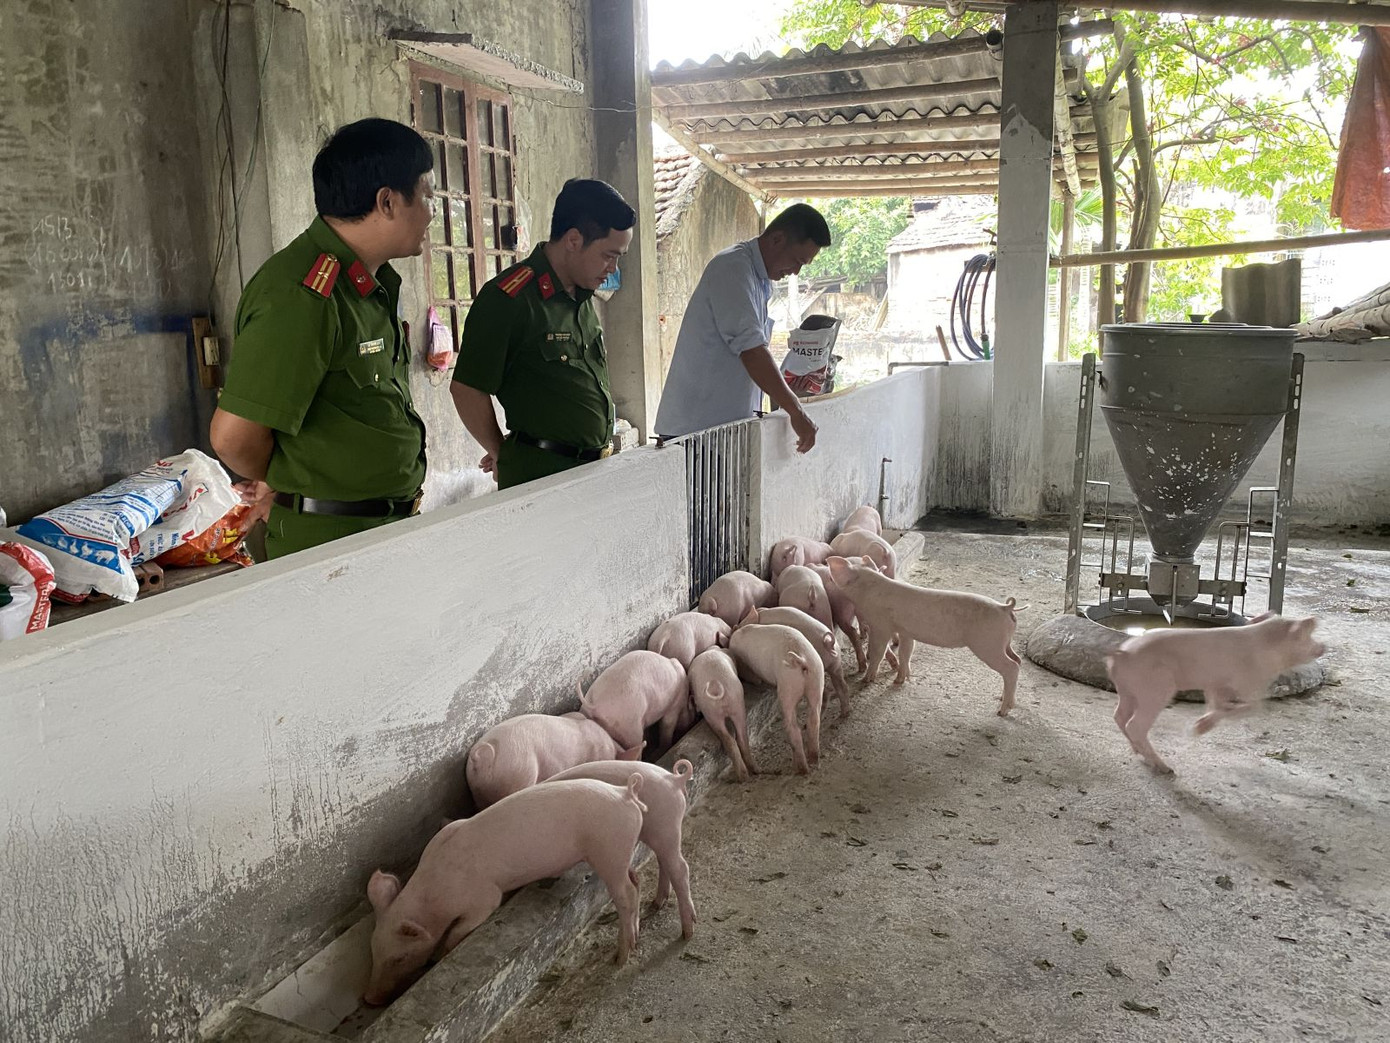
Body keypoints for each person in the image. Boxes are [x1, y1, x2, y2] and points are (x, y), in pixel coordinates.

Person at [209, 118, 434, 559]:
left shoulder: (369, 285)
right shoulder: (303, 296)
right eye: (426, 195)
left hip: (378, 530)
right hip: (331, 542)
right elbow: (233, 438)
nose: (432, 211)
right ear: (387, 201)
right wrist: (290, 478)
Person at [451, 178, 634, 490]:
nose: (613, 269)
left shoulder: (582, 298)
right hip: (541, 480)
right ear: (574, 240)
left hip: (593, 474)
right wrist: (502, 453)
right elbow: (467, 389)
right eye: (608, 255)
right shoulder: (510, 299)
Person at [653, 203, 831, 451]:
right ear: (777, 239)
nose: (795, 272)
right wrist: (795, 410)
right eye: (797, 260)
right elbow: (752, 351)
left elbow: (752, 356)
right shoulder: (733, 267)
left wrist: (787, 385)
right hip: (694, 431)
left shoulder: (760, 280)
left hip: (723, 430)